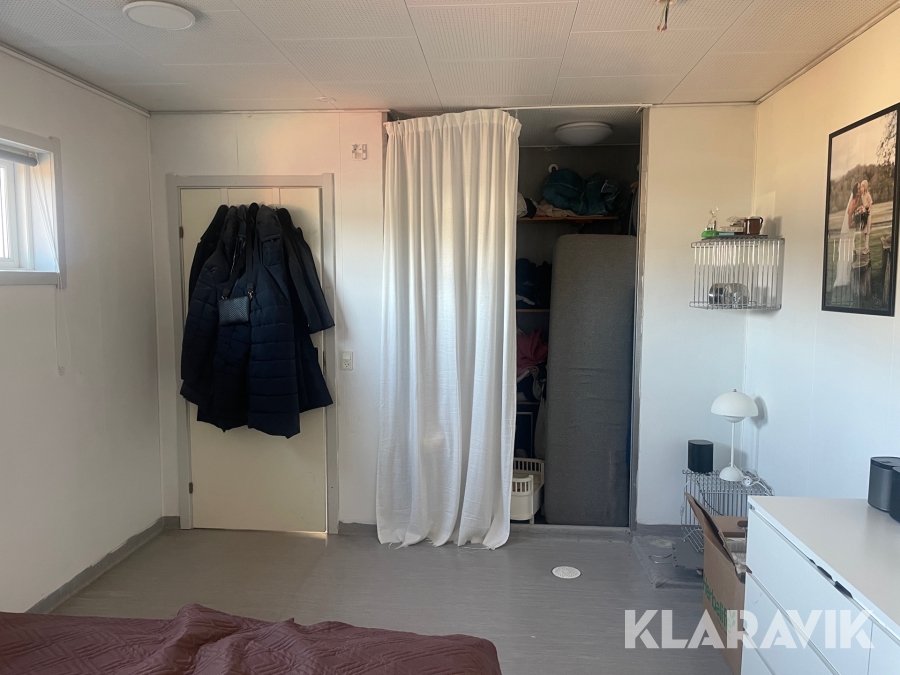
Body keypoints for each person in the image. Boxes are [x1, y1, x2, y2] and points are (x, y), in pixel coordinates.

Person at [833, 182, 859, 290]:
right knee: (846, 254)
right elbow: (849, 224)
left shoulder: (857, 200)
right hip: (848, 230)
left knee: (850, 253)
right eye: (859, 189)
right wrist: (858, 223)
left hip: (851, 231)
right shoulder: (852, 203)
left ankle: (848, 275)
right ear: (856, 192)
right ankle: (843, 277)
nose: (860, 190)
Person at [858, 179, 873, 251]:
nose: (861, 188)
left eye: (862, 187)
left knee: (867, 231)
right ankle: (865, 247)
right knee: (864, 231)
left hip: (868, 214)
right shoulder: (862, 196)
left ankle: (866, 248)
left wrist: (868, 209)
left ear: (865, 187)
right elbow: (864, 205)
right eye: (861, 187)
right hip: (864, 214)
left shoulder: (868, 195)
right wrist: (860, 208)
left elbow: (870, 203)